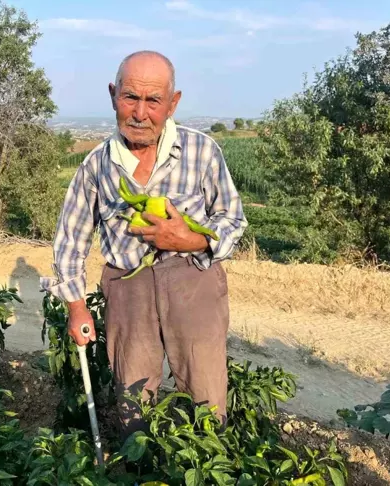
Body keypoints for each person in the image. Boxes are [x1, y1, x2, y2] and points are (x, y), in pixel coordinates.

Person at [40, 50, 247, 437]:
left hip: (193, 280)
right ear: (113, 95)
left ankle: (206, 462)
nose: (140, 113)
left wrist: (192, 239)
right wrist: (76, 308)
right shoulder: (96, 165)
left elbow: (232, 219)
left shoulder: (202, 151)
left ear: (173, 103)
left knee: (205, 390)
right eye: (130, 97)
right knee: (133, 396)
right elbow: (70, 239)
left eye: (153, 100)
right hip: (127, 286)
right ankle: (142, 466)